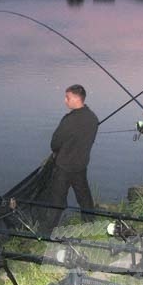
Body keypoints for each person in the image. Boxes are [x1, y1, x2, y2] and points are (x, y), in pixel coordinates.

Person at [42, 84, 99, 232]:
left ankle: (47, 232)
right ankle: (90, 224)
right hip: (81, 165)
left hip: (64, 166)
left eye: (67, 97)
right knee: (84, 197)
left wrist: (59, 151)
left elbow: (55, 143)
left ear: (76, 99)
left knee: (57, 200)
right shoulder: (93, 118)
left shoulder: (69, 120)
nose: (65, 101)